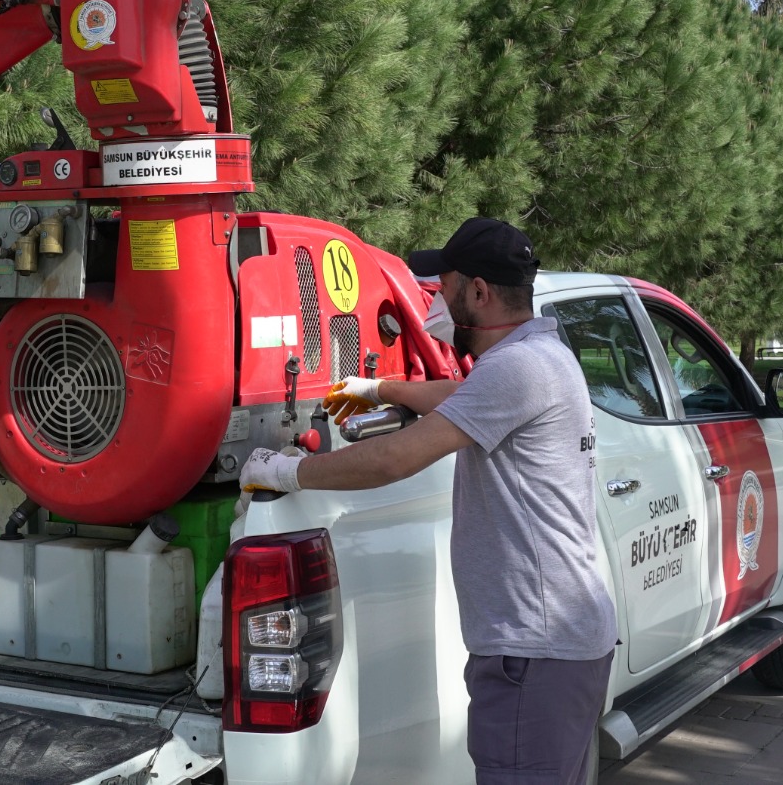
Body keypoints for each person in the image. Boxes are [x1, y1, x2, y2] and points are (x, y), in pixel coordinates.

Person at [240, 217, 617, 785]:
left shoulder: (516, 368)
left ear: (479, 292)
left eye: (445, 286)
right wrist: (381, 387)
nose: (436, 299)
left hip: (533, 652)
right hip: (555, 645)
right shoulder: (542, 355)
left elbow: (394, 459)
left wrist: (289, 471)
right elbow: (463, 394)